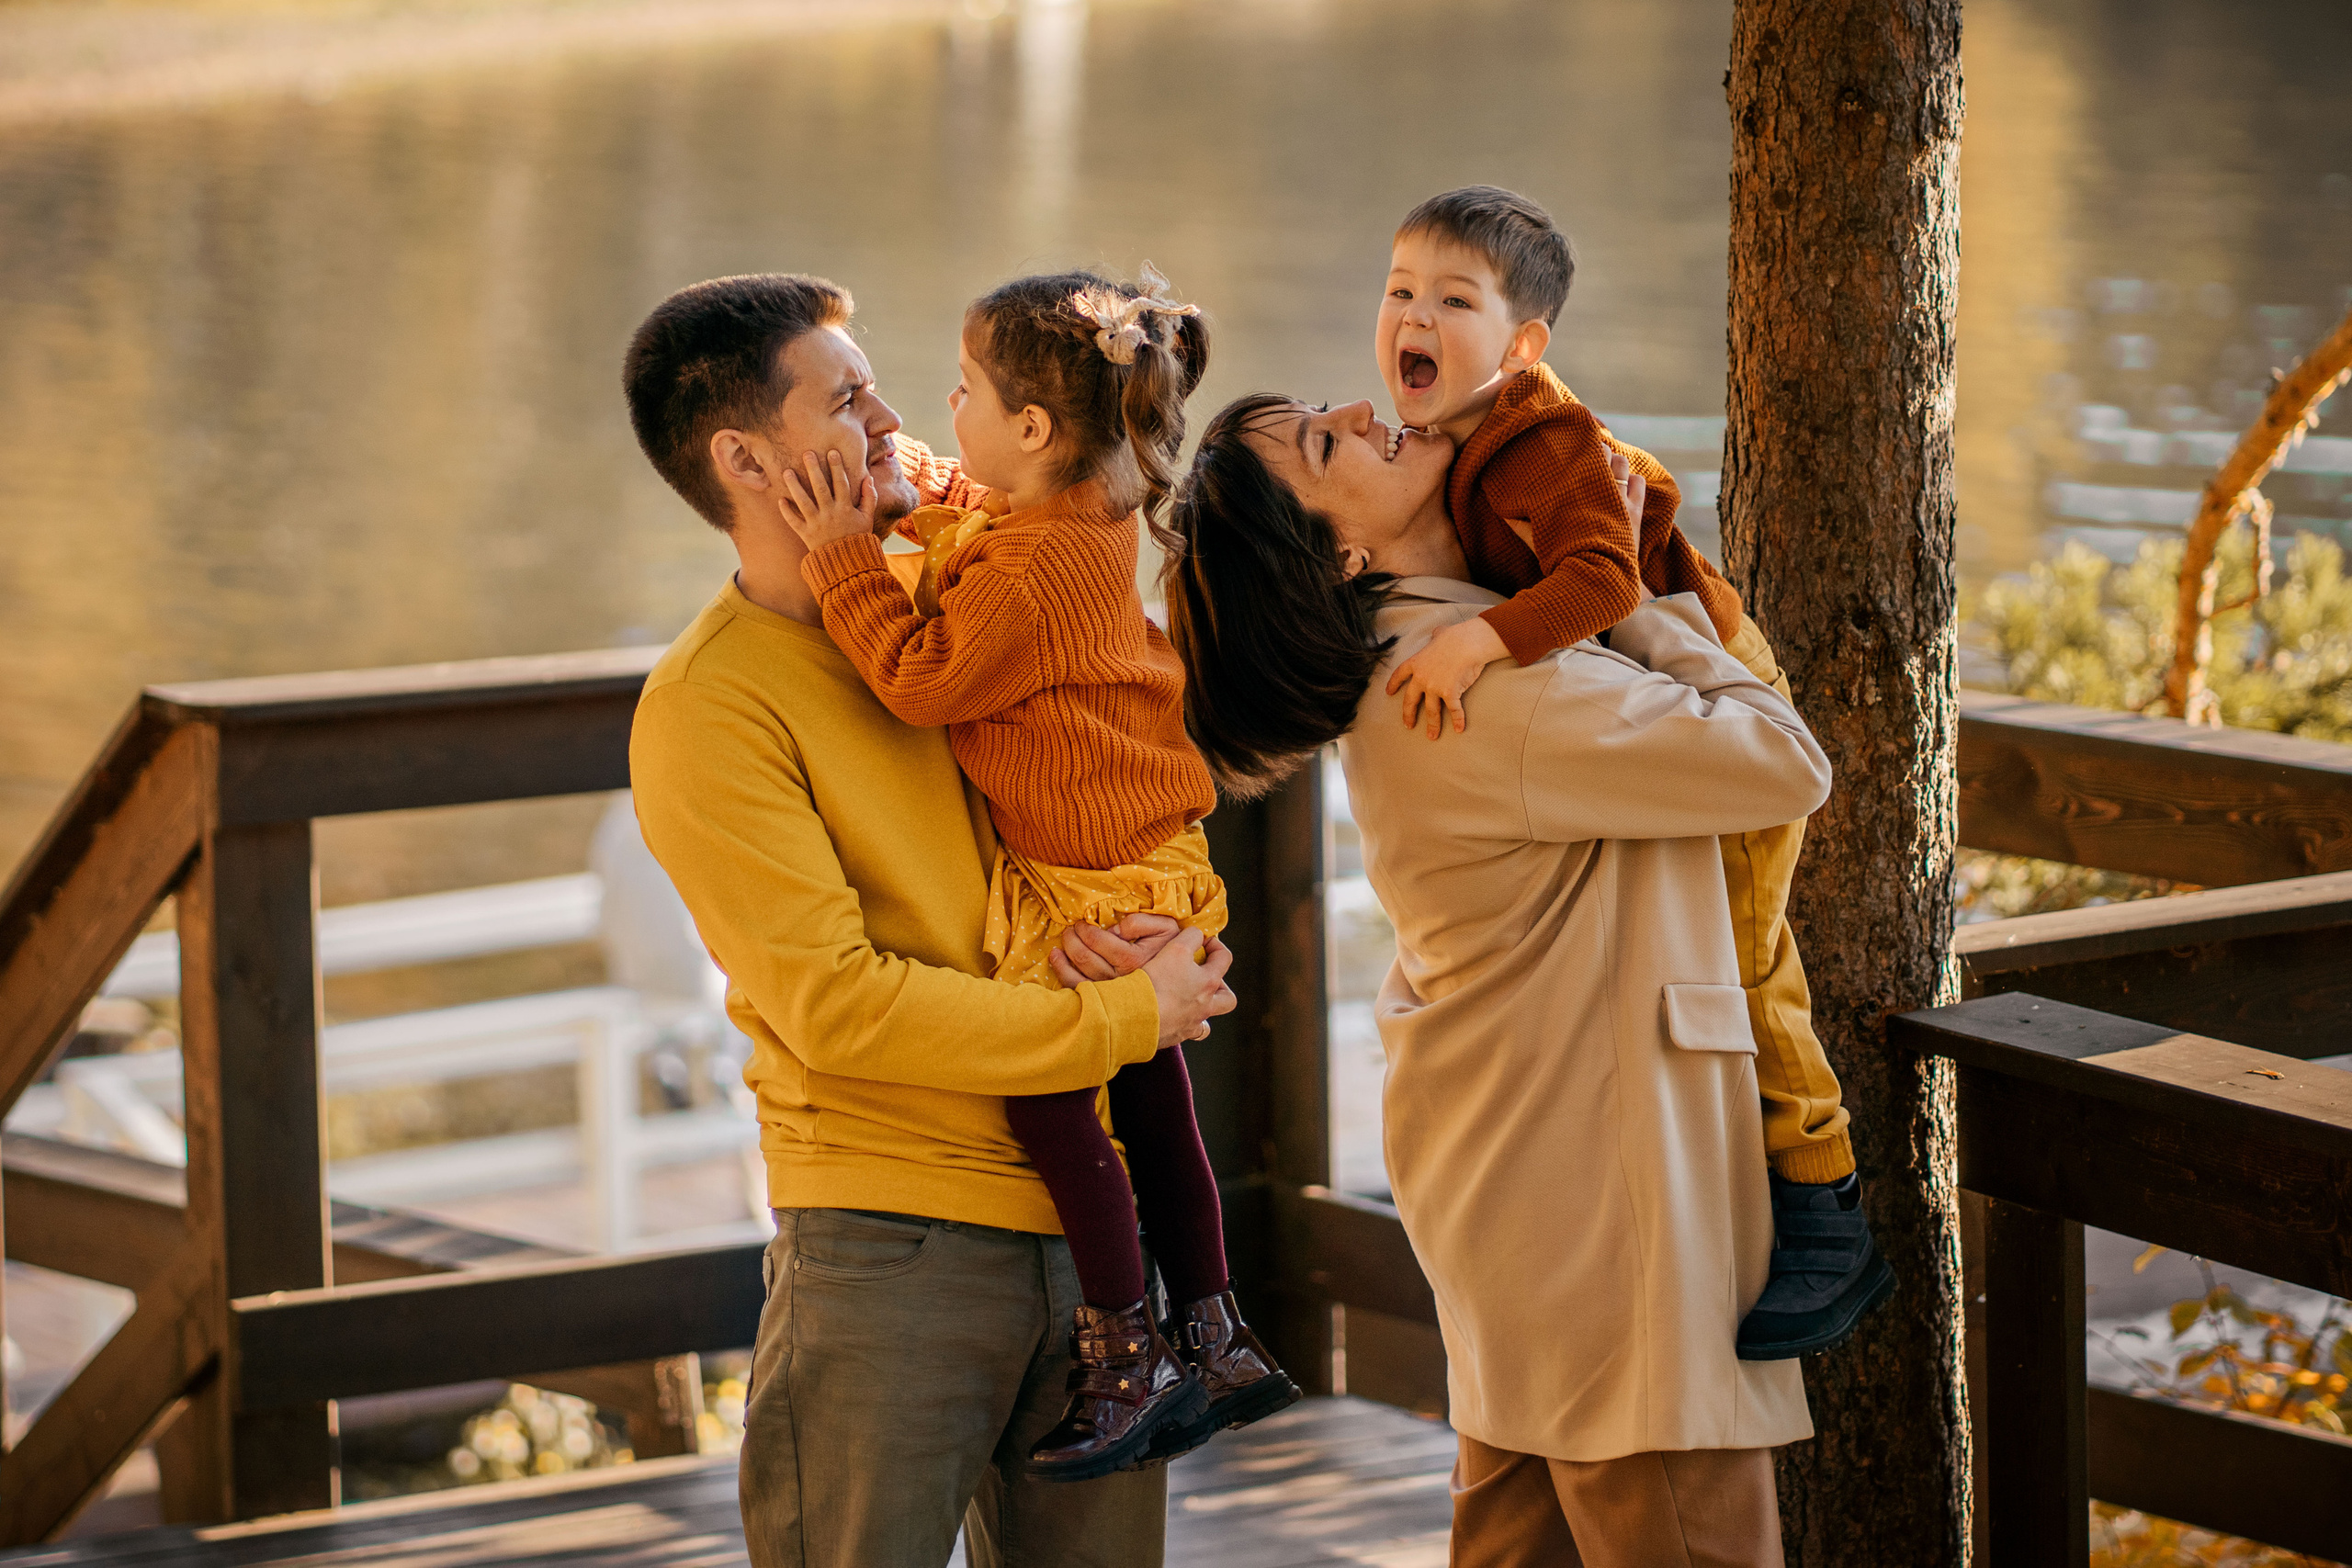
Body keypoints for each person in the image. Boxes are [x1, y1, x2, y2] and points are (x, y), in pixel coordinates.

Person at [621, 271, 1237, 1568]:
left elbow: (1112, 761)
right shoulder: (709, 707)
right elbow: (838, 1004)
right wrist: (1124, 1015)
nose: (893, 417)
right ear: (744, 460)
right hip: (892, 1250)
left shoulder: (969, 578)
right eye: (848, 400)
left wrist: (1165, 924)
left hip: (1089, 1229)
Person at [1160, 393, 1836, 1565]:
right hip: (1605, 1210)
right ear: (1340, 554)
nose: (1361, 409)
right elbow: (1782, 761)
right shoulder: (1487, 687)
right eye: (1324, 442)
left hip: (1530, 1190)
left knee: (1518, 1539)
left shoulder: (1446, 655)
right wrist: (1632, 590)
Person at [767, 265, 1295, 1482]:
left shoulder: (1031, 569)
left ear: (1038, 428)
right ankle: (1216, 1332)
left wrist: (845, 556)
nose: (942, 407)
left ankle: (1126, 1354)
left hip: (1088, 879)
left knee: (1053, 1106)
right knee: (1154, 1106)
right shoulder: (1083, 507)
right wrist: (907, 486)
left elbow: (923, 678)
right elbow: (981, 511)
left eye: (964, 391)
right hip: (1138, 854)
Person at [1370, 186, 1889, 1358]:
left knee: (1748, 948)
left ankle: (1825, 1197)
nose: (1414, 317)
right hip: (1655, 686)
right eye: (1399, 291)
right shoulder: (1452, 432)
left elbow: (1602, 582)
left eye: (1453, 301)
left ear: (1521, 346)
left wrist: (1478, 641)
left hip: (1720, 673)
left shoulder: (1541, 441)